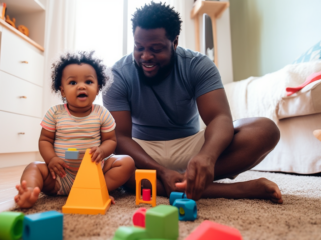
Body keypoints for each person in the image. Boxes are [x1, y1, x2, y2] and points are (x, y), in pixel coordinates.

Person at [103, 2, 283, 203]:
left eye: (156, 49)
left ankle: (186, 178)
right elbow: (120, 137)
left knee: (265, 130)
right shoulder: (117, 75)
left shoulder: (197, 65)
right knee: (117, 165)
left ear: (175, 42)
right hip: (142, 151)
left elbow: (219, 118)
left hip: (190, 148)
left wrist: (207, 156)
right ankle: (236, 190)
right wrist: (161, 171)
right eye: (139, 47)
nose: (145, 56)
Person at [15, 51, 135, 208]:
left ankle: (97, 190)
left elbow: (111, 140)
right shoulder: (55, 113)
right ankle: (29, 192)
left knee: (126, 162)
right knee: (34, 166)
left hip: (95, 175)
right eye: (72, 83)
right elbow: (45, 140)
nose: (81, 86)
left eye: (89, 81)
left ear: (98, 88)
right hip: (60, 176)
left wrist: (102, 151)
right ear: (62, 90)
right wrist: (51, 159)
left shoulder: (102, 113)